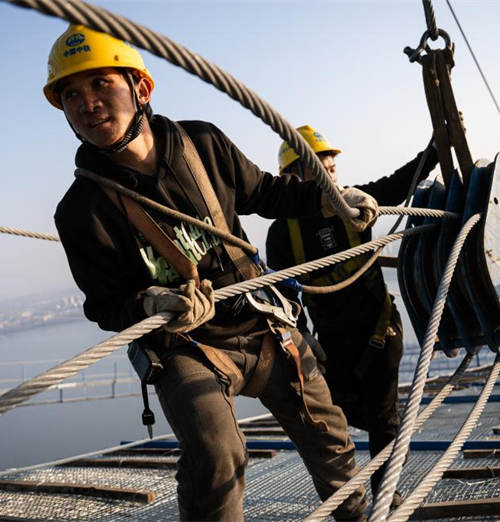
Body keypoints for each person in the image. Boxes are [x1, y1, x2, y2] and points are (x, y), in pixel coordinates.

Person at [47, 25, 379, 521]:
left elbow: (269, 193)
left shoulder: (201, 143)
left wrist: (333, 200)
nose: (86, 102)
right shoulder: (81, 210)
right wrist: (151, 305)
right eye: (71, 93)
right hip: (188, 349)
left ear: (140, 88)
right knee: (217, 455)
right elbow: (105, 304)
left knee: (328, 433)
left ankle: (359, 517)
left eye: (101, 84)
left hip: (263, 324)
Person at [265, 126, 438, 498]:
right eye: (320, 166)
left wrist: (436, 149)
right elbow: (284, 298)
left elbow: (398, 184)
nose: (331, 173)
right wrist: (303, 340)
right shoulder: (283, 234)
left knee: (383, 417)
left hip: (377, 328)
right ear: (294, 176)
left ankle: (386, 493)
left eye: (332, 167)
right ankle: (360, 483)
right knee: (339, 413)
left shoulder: (355, 206)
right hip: (330, 341)